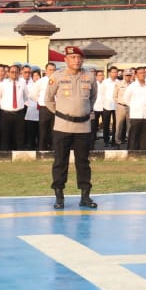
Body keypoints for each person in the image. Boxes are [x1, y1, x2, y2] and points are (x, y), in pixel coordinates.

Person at [46, 45, 98, 209]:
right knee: (60, 161)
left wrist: (83, 111)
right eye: (73, 57)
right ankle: (59, 197)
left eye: (79, 57)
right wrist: (62, 114)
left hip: (83, 127)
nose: (77, 60)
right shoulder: (57, 76)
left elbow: (92, 98)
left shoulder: (90, 76)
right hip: (62, 126)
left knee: (83, 162)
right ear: (66, 59)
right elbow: (48, 99)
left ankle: (85, 196)